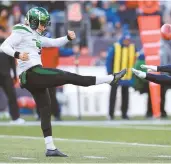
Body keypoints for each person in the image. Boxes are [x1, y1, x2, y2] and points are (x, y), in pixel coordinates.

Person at [0, 7, 126, 157]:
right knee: (68, 76)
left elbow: (53, 43)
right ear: (33, 22)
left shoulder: (35, 35)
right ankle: (110, 79)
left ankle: (50, 148)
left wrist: (67, 38)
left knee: (46, 109)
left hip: (32, 76)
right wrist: (18, 54)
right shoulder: (21, 31)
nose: (44, 26)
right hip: (31, 73)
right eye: (42, 23)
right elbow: (4, 46)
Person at [106, 27, 137, 120]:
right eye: (126, 39)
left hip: (126, 76)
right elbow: (109, 60)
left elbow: (136, 58)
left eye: (128, 39)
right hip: (115, 75)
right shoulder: (115, 47)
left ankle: (124, 114)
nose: (127, 41)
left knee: (125, 95)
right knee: (113, 95)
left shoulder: (132, 48)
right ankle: (111, 114)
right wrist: (109, 73)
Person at [0, 8, 25, 124]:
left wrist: (15, 75)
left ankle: (15, 118)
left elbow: (12, 60)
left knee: (12, 96)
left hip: (5, 74)